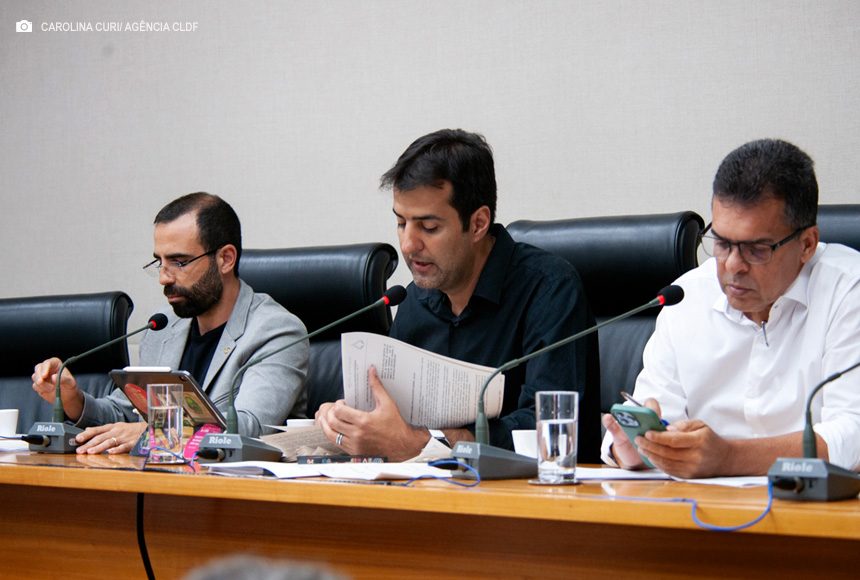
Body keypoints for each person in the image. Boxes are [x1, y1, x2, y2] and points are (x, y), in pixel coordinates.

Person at [316, 129, 600, 462]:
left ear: (478, 223)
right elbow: (391, 417)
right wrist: (350, 420)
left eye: (429, 227)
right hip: (425, 486)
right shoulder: (413, 301)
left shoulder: (549, 289)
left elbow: (550, 428)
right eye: (401, 223)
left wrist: (430, 444)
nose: (408, 244)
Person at [601, 139, 860, 478]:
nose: (733, 265)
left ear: (807, 244)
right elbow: (654, 411)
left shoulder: (848, 291)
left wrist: (729, 458)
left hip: (814, 504)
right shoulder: (687, 296)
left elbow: (852, 436)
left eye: (757, 249)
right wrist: (636, 449)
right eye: (722, 243)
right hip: (697, 505)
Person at [32, 192, 308, 454]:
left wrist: (153, 433)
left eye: (179, 262)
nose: (164, 278)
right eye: (160, 263)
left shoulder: (277, 332)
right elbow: (125, 414)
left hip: (238, 483)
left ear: (225, 259)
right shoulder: (163, 327)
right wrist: (73, 399)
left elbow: (250, 427)